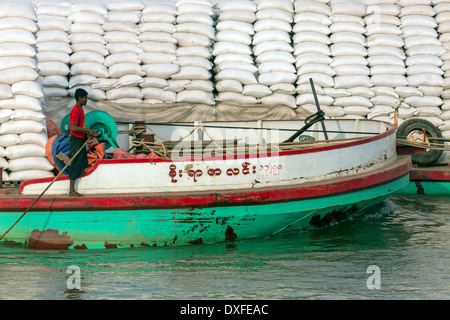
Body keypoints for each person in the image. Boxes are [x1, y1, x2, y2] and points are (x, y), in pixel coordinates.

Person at [69, 88, 97, 197]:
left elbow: (80, 127)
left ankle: (74, 189)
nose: (86, 100)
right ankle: (71, 191)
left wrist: (87, 135)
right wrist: (88, 130)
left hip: (80, 140)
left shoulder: (80, 110)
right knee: (75, 162)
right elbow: (74, 127)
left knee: (80, 162)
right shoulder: (76, 110)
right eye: (85, 98)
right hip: (75, 140)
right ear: (79, 98)